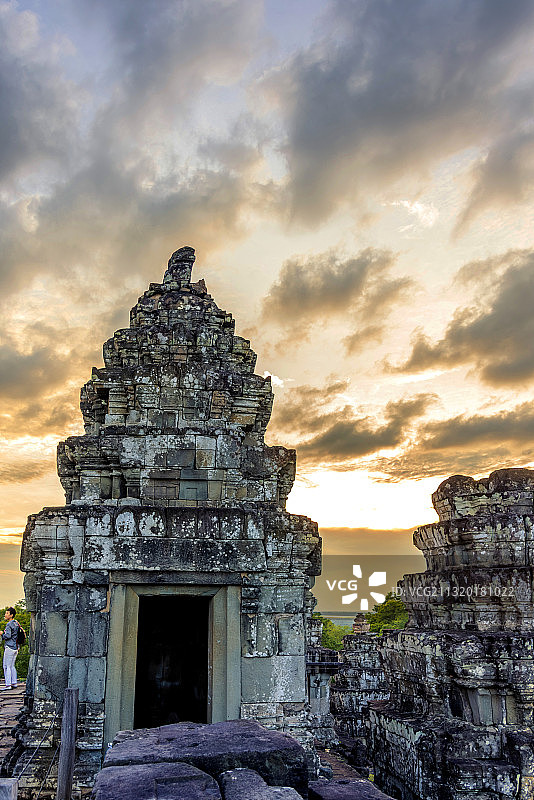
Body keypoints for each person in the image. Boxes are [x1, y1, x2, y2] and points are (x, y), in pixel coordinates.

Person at [2, 607, 19, 690]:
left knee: (6, 666)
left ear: (11, 615)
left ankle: (8, 685)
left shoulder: (9, 624)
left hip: (9, 647)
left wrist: (2, 634)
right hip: (15, 647)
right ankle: (14, 683)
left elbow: (7, 636)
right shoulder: (16, 623)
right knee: (12, 666)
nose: (5, 615)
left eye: (7, 613)